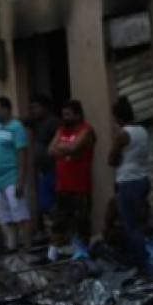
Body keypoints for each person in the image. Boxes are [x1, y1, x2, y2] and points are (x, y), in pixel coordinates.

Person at [48, 99, 96, 261]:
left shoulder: (86, 130)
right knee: (59, 221)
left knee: (81, 220)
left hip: (80, 185)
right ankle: (53, 255)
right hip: (63, 184)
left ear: (78, 114)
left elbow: (75, 147)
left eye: (68, 114)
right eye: (63, 115)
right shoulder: (61, 130)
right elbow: (50, 150)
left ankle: (83, 253)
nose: (65, 118)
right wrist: (66, 150)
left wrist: (62, 149)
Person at [108, 96, 150, 268]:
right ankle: (145, 259)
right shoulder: (143, 131)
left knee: (131, 226)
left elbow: (111, 159)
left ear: (118, 117)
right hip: (143, 179)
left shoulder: (123, 135)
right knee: (140, 223)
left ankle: (141, 264)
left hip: (128, 181)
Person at [0, 97, 31, 253]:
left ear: (7, 109)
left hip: (12, 178)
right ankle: (11, 247)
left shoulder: (17, 127)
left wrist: (20, 181)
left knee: (20, 215)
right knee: (4, 217)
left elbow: (22, 155)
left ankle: (26, 249)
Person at [27, 94, 60, 240]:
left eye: (36, 107)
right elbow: (24, 121)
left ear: (45, 108)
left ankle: (60, 237)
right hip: (44, 172)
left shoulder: (53, 123)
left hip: (55, 170)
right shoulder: (37, 123)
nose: (33, 111)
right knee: (46, 206)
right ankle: (52, 237)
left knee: (55, 207)